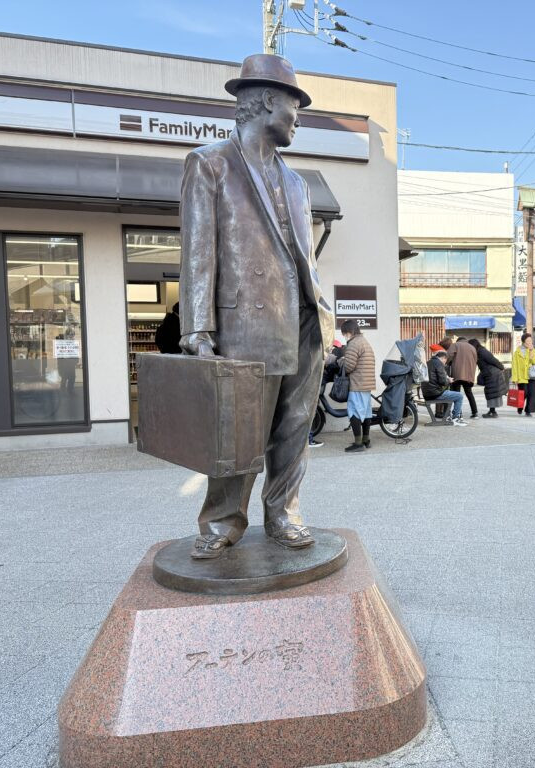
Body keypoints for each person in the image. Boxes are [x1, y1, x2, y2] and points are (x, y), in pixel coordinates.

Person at [177, 53, 335, 558]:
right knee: (240, 433)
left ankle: (283, 512)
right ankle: (223, 520)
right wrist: (197, 328)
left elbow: (303, 259)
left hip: (304, 322)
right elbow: (198, 251)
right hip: (245, 323)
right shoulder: (211, 163)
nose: (298, 118)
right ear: (267, 102)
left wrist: (322, 313)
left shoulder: (296, 181)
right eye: (295, 106)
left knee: (294, 430)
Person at [341, 319, 376, 452]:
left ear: (349, 331)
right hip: (366, 384)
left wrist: (340, 361)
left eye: (344, 333)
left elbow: (349, 366)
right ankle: (366, 440)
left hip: (357, 383)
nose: (344, 336)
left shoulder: (354, 343)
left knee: (354, 411)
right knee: (366, 412)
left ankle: (358, 444)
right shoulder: (364, 342)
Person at [421, 347, 467, 425]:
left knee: (450, 393)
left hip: (427, 393)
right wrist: (449, 380)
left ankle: (450, 416)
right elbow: (442, 381)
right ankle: (456, 418)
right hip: (434, 393)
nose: (445, 363)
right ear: (443, 358)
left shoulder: (429, 362)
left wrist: (446, 379)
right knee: (459, 396)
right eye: (445, 360)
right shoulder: (439, 364)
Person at [468, 338, 508, 417]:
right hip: (489, 374)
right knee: (490, 392)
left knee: (491, 392)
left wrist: (501, 367)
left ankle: (493, 412)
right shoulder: (478, 352)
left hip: (493, 374)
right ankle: (492, 411)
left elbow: (493, 360)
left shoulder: (482, 351)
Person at [447, 336, 479, 418]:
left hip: (457, 374)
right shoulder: (472, 347)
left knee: (456, 393)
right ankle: (475, 412)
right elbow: (475, 360)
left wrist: (448, 363)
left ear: (458, 340)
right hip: (469, 375)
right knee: (469, 392)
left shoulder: (455, 345)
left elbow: (448, 356)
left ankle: (458, 413)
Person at [510, 332, 535, 417]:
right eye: (528, 341)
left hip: (531, 375)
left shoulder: (532, 350)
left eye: (531, 340)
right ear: (524, 342)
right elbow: (514, 366)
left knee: (531, 393)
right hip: (522, 377)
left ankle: (528, 411)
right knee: (524, 393)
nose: (530, 342)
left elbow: (534, 362)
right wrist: (515, 378)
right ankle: (520, 406)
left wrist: (531, 351)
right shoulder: (517, 352)